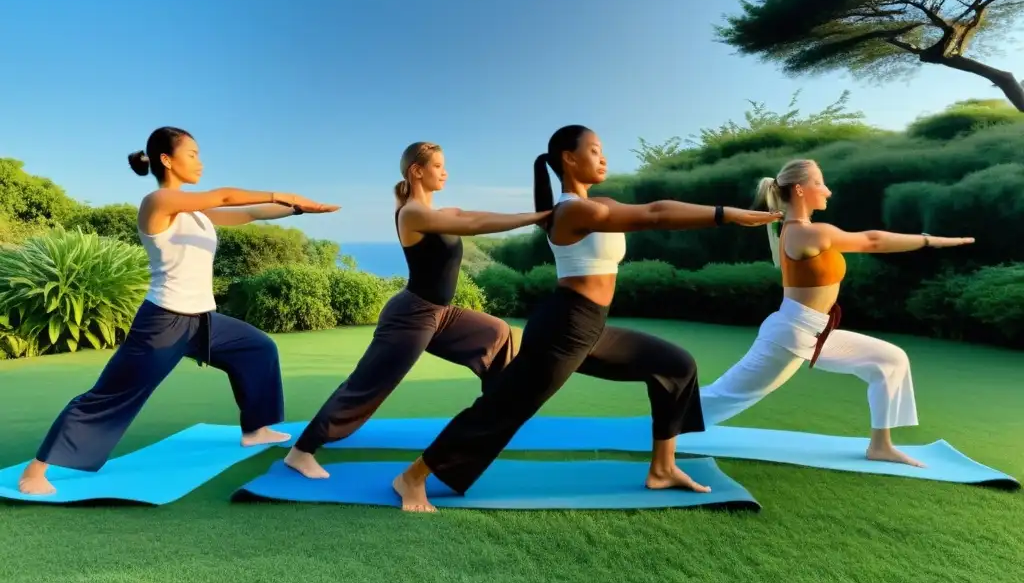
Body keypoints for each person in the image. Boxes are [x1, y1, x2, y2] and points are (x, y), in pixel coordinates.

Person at [391, 125, 783, 512]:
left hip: (590, 326)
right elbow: (655, 214)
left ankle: (663, 469)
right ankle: (413, 477)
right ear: (568, 158)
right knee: (503, 409)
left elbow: (654, 208)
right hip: (564, 326)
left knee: (676, 366)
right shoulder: (572, 210)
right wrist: (725, 214)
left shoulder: (602, 205)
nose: (603, 157)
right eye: (594, 149)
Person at [18, 126, 339, 495]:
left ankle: (256, 429)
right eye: (192, 154)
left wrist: (299, 209)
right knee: (112, 393)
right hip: (164, 322)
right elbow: (226, 196)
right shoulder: (157, 203)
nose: (199, 162)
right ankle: (37, 469)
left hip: (203, 319)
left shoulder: (197, 214)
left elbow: (247, 212)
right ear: (167, 160)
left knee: (257, 348)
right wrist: (285, 193)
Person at [283, 141, 552, 479]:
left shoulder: (438, 213)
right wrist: (540, 216)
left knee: (496, 333)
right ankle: (302, 451)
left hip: (442, 313)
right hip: (412, 316)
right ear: (417, 170)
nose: (445, 172)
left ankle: (499, 414)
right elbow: (475, 224)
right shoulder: (412, 213)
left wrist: (536, 217)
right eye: (438, 166)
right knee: (368, 384)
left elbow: (470, 216)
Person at [698, 158, 975, 468]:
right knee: (725, 396)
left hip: (818, 331)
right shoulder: (807, 233)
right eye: (820, 183)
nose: (827, 191)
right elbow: (873, 240)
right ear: (800, 190)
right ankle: (662, 420)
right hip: (790, 334)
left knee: (890, 360)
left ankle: (880, 446)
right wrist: (931, 240)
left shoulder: (800, 230)